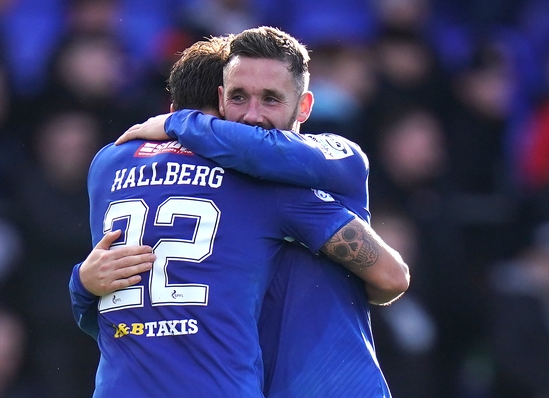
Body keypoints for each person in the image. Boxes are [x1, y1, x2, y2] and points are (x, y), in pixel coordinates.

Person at [69, 33, 409, 397]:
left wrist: (81, 285)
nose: (251, 118)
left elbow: (111, 321)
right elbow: (392, 277)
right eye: (238, 98)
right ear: (220, 99)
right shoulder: (258, 184)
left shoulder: (107, 163)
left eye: (271, 99)